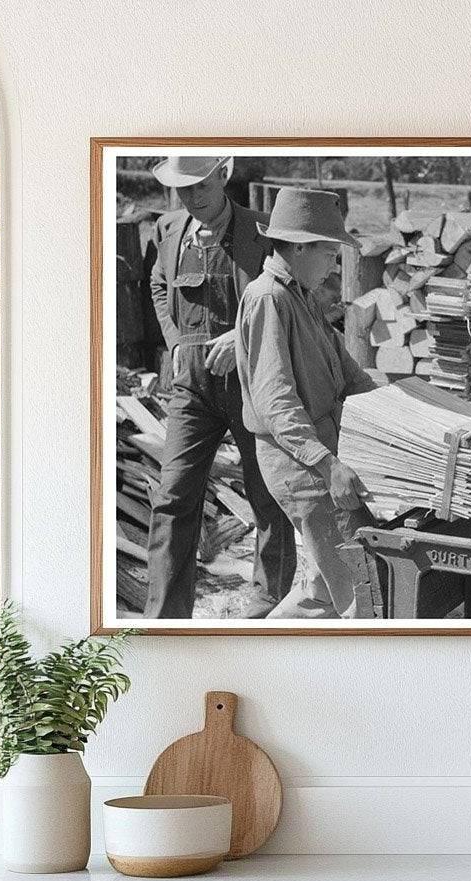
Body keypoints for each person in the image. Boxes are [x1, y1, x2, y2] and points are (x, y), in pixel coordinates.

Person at [144, 155, 297, 620]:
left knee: (267, 492)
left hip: (253, 380)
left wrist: (241, 336)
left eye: (201, 185)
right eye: (183, 189)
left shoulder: (266, 229)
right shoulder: (168, 230)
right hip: (191, 384)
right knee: (173, 495)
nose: (193, 197)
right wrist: (174, 342)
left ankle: (267, 606)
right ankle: (165, 618)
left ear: (223, 176)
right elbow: (157, 284)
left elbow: (292, 293)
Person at [235, 187, 377, 619]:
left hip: (318, 450)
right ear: (299, 247)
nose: (335, 266)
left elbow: (347, 371)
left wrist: (396, 413)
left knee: (321, 593)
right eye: (330, 254)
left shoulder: (301, 296)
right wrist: (326, 464)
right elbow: (275, 401)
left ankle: (259, 656)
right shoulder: (268, 298)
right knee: (358, 593)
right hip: (299, 462)